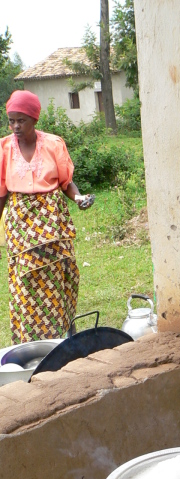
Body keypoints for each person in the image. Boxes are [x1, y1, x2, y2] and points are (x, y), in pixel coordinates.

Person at [0, 90, 94, 344]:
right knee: (26, 281)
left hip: (52, 219)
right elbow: (1, 194)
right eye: (12, 120)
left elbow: (67, 183)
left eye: (22, 120)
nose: (16, 126)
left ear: (34, 119)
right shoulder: (4, 147)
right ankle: (31, 343)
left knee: (58, 276)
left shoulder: (53, 144)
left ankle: (61, 337)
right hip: (20, 223)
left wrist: (78, 198)